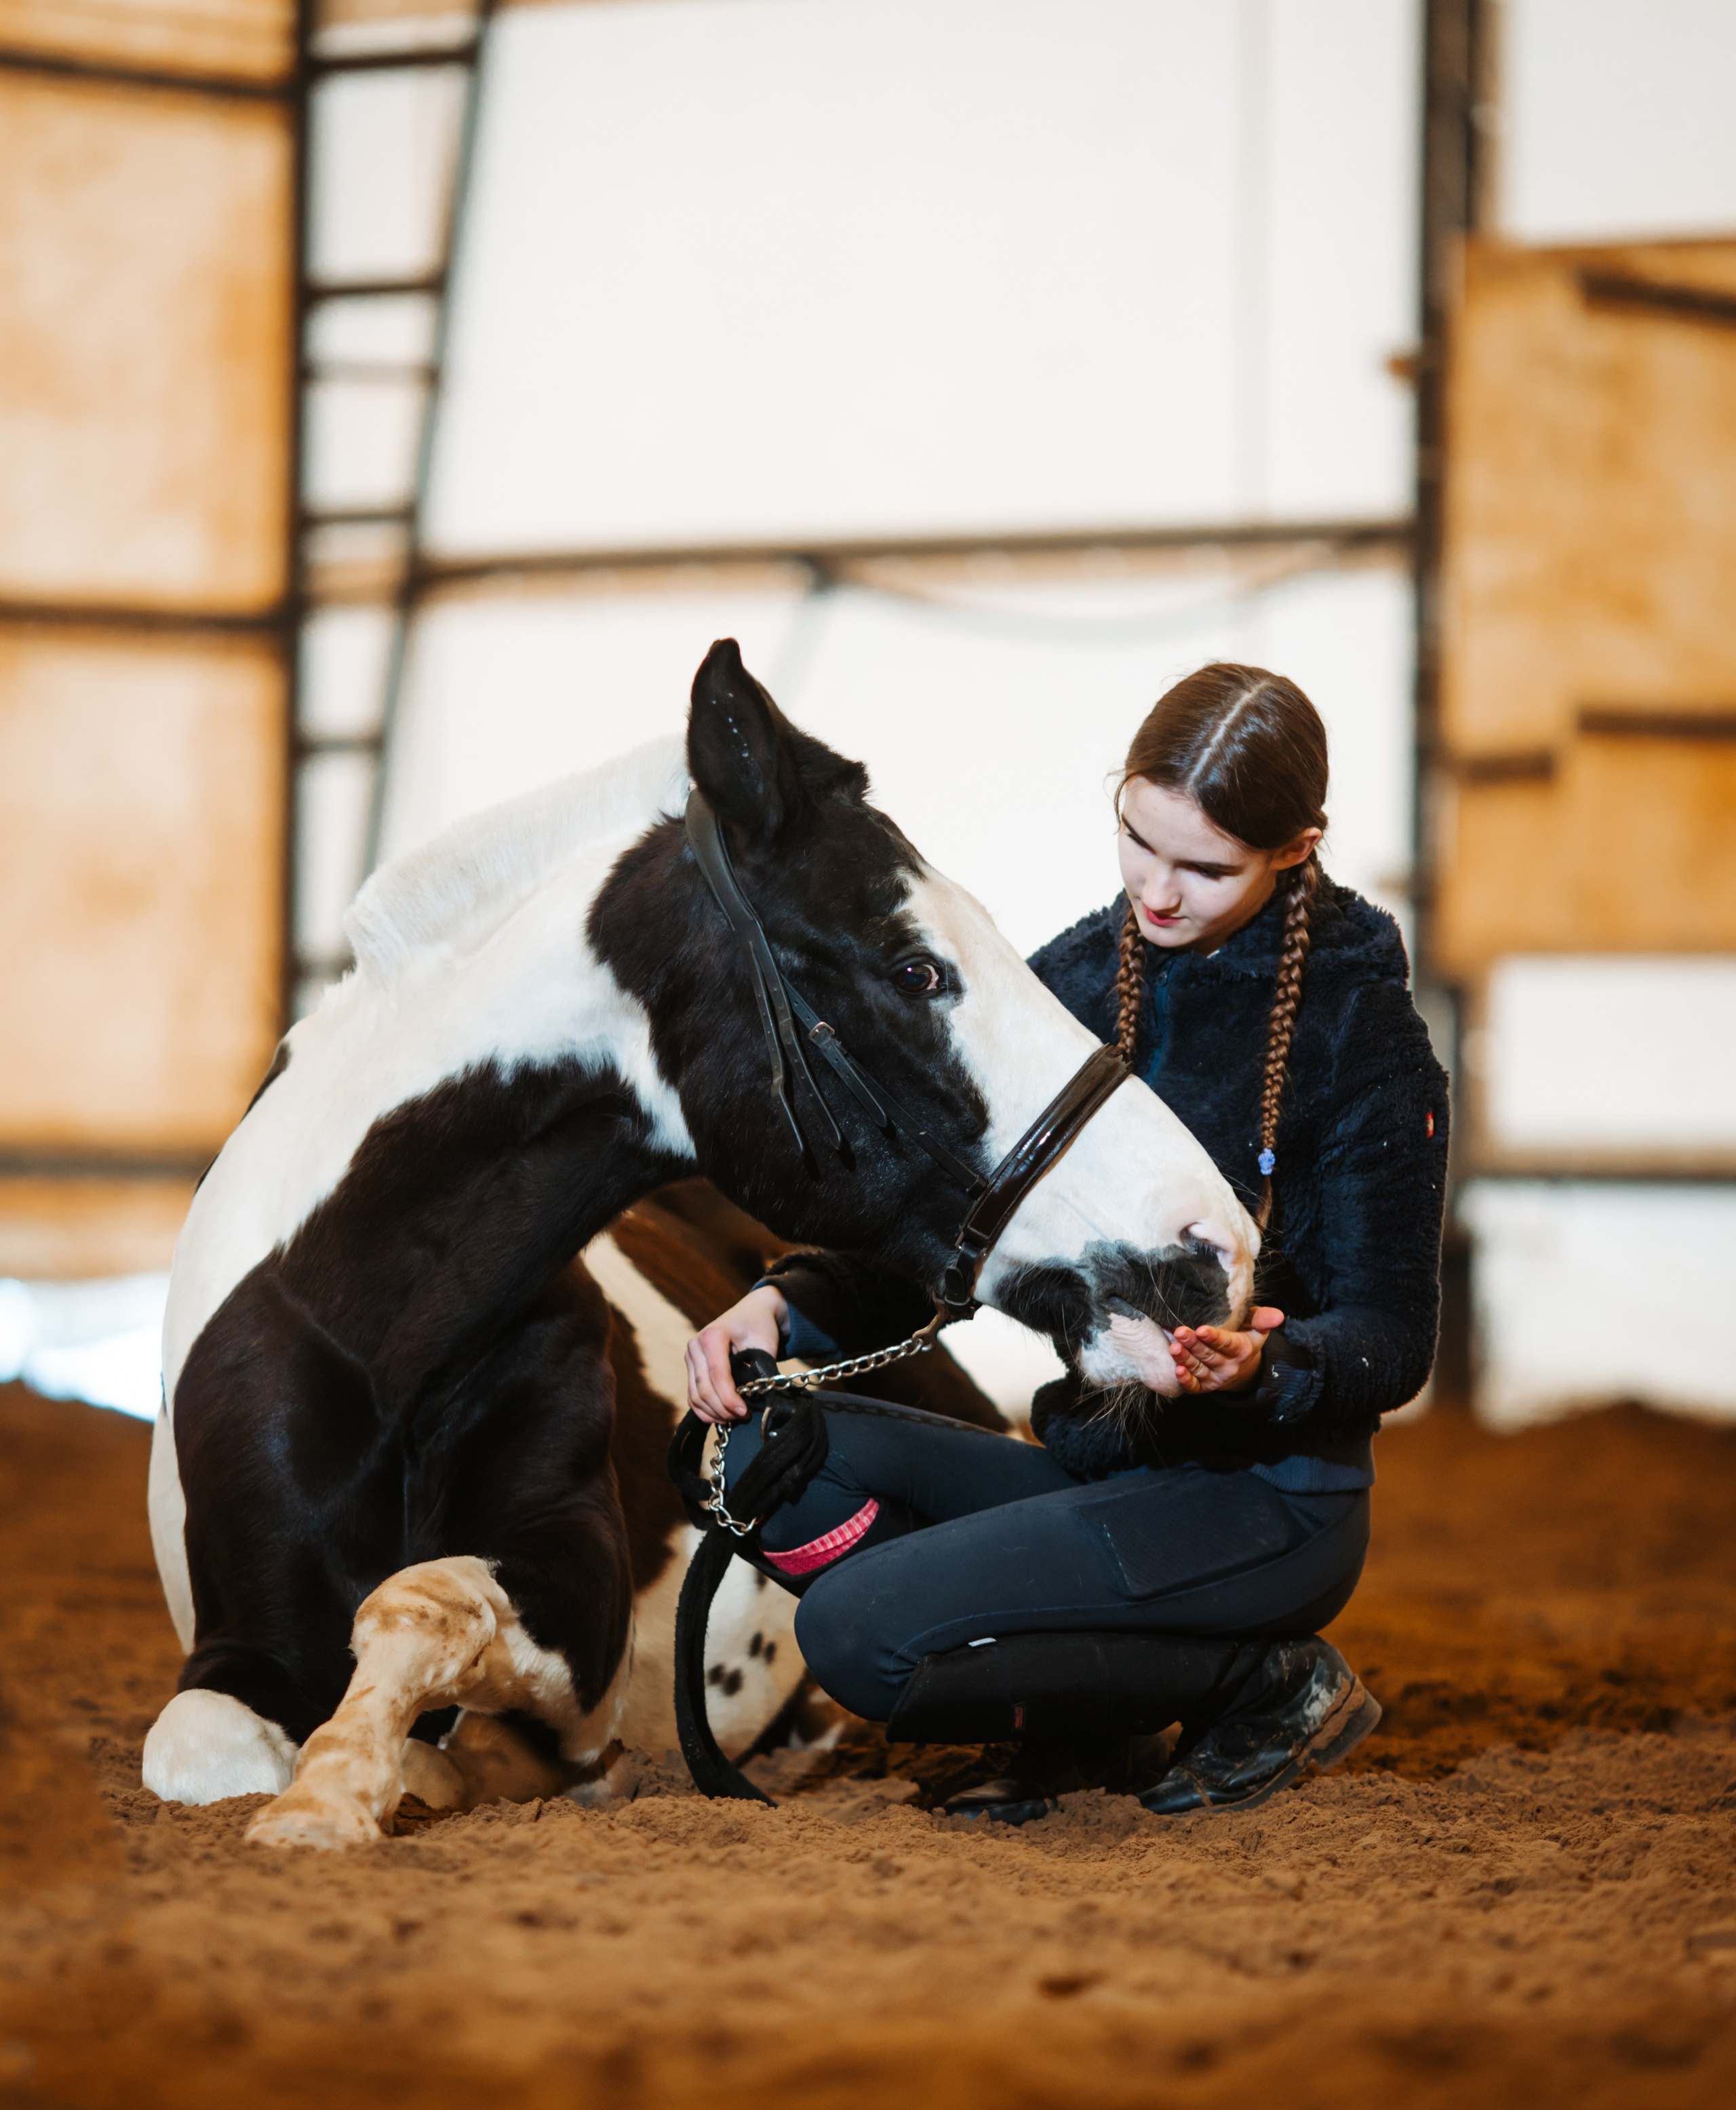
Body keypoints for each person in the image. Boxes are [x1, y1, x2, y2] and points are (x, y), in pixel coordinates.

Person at [683, 663, 1449, 1820]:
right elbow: (956, 1224)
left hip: (1270, 1503)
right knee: (767, 1454)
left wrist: (1274, 1366)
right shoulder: (1077, 977)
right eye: (1140, 840)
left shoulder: (1365, 1034)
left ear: (1299, 847)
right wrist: (789, 1302)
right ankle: (1089, 1713)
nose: (1161, 890)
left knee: (857, 1638)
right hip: (1094, 1466)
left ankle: (1264, 1681)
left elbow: (1394, 1337)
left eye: (1208, 867)